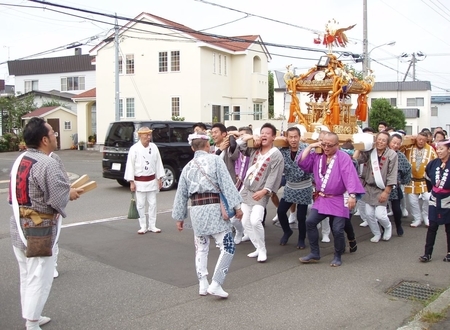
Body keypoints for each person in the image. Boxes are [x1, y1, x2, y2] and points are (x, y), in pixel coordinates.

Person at [9, 117, 83, 330]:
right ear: (43, 139)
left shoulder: (21, 158)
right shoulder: (47, 163)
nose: (55, 135)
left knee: (27, 274)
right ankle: (32, 322)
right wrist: (71, 193)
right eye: (52, 132)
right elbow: (58, 198)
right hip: (38, 229)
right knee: (39, 277)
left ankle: (32, 315)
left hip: (18, 224)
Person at [172, 132, 243, 298]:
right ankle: (216, 283)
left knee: (201, 247)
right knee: (227, 246)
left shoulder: (188, 167)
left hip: (196, 210)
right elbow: (227, 184)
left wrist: (179, 217)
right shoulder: (215, 160)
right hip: (214, 209)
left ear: (192, 148)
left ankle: (202, 283)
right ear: (207, 146)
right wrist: (237, 207)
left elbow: (181, 193)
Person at [298, 132, 365, 266]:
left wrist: (352, 195)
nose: (326, 148)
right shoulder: (318, 155)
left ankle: (338, 255)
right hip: (322, 198)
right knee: (310, 222)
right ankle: (315, 253)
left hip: (339, 198)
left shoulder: (343, 157)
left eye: (329, 145)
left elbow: (350, 176)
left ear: (337, 145)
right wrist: (310, 146)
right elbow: (302, 163)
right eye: (324, 144)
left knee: (337, 229)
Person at [239, 123, 285, 262]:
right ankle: (258, 247)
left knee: (255, 220)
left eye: (267, 133)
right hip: (247, 190)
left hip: (261, 192)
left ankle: (263, 249)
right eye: (262, 132)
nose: (264, 135)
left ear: (273, 137)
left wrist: (265, 191)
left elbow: (274, 175)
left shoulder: (276, 155)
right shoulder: (255, 149)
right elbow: (240, 146)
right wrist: (252, 136)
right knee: (245, 221)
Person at [354, 131, 398, 242]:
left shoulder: (392, 154)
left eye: (384, 140)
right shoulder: (370, 152)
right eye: (379, 139)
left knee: (380, 215)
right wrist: (359, 147)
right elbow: (355, 161)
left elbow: (392, 174)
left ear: (387, 142)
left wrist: (386, 191)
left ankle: (388, 227)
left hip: (382, 188)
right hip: (369, 187)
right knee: (368, 214)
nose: (381, 142)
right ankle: (376, 233)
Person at [277, 127, 312, 249]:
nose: (293, 140)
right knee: (281, 211)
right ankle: (287, 231)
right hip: (290, 186)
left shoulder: (306, 148)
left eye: (295, 137)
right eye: (290, 137)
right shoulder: (282, 150)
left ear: (299, 137)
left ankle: (301, 238)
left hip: (304, 186)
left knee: (301, 216)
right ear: (287, 137)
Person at [124, 127, 165, 234]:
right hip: (139, 181)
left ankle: (152, 225)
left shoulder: (154, 147)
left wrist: (159, 178)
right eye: (146, 135)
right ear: (140, 136)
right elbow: (130, 166)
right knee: (141, 204)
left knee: (153, 203)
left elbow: (158, 163)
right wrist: (131, 182)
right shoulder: (134, 148)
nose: (148, 137)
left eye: (149, 135)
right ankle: (143, 225)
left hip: (151, 180)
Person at [210, 123, 244, 244]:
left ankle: (240, 231)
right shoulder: (211, 148)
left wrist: (233, 136)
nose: (213, 134)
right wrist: (219, 150)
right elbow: (209, 163)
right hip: (215, 186)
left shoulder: (231, 146)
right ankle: (224, 237)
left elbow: (236, 154)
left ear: (224, 134)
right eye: (212, 132)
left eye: (215, 132)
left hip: (230, 185)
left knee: (234, 216)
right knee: (219, 214)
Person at [419, 139, 450, 262]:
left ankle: (449, 252)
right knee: (432, 226)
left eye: (442, 149)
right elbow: (426, 177)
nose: (439, 151)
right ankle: (427, 253)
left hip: (448, 199)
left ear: (449, 150)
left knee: (449, 227)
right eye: (438, 148)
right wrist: (432, 190)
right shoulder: (433, 163)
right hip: (435, 198)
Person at [404, 132, 437, 227]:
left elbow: (435, 163)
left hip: (425, 180)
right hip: (411, 179)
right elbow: (399, 149)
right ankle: (417, 218)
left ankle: (426, 215)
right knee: (412, 201)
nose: (421, 142)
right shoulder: (409, 147)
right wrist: (409, 139)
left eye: (423, 140)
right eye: (419, 139)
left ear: (427, 140)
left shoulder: (431, 149)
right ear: (416, 139)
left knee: (428, 198)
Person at [388, 133, 412, 236]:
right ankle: (385, 228)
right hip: (380, 185)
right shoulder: (381, 153)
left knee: (396, 209)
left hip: (394, 186)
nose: (395, 145)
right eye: (394, 142)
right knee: (380, 210)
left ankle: (398, 225)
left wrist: (401, 181)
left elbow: (408, 169)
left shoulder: (400, 156)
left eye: (398, 144)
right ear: (389, 142)